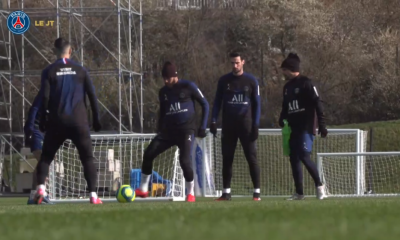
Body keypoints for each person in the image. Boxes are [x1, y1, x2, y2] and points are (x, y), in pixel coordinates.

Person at [34, 37, 102, 204]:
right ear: (70, 51)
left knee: (46, 157)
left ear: (54, 51)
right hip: (79, 121)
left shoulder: (49, 71)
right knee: (87, 158)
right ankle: (93, 196)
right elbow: (92, 96)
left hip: (57, 121)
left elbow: (45, 97)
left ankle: (40, 190)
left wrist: (43, 119)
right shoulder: (81, 70)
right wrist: (97, 119)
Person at [134, 61, 209, 202]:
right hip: (168, 132)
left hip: (186, 131)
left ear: (175, 75)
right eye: (164, 78)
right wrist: (159, 129)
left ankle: (190, 193)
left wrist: (203, 127)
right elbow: (162, 112)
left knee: (185, 161)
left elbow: (205, 104)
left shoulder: (188, 86)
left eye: (168, 78)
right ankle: (143, 189)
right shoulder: (163, 92)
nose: (166, 81)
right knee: (149, 153)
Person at [210, 52, 261, 201]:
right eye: (232, 62)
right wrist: (213, 120)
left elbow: (257, 104)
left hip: (246, 125)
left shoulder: (251, 81)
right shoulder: (224, 80)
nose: (235, 65)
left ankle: (257, 192)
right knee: (227, 158)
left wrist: (256, 125)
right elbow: (217, 102)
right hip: (228, 125)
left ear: (243, 62)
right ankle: (226, 193)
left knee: (251, 158)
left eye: (237, 62)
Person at [278, 53, 327, 200]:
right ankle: (299, 193)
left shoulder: (306, 83)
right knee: (294, 158)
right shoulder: (287, 87)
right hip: (293, 128)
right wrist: (282, 117)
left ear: (290, 69)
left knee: (305, 156)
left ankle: (320, 187)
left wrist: (322, 125)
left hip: (306, 126)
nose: (283, 73)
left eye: (284, 70)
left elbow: (318, 103)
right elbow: (286, 106)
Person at [23, 91, 54, 205]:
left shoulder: (60, 96)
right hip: (36, 130)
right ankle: (43, 194)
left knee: (42, 164)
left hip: (45, 133)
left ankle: (34, 196)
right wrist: (30, 129)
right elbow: (34, 109)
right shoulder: (44, 93)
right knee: (43, 161)